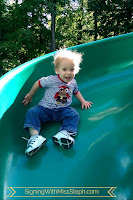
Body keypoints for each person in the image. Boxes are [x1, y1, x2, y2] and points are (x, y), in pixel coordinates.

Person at [22, 49, 93, 156]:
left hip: (62, 110)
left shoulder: (73, 82)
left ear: (76, 70)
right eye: (64, 69)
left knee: (73, 114)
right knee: (32, 112)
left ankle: (64, 133)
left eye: (71, 69)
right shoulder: (51, 80)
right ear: (57, 70)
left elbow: (76, 91)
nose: (68, 73)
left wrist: (83, 101)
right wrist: (30, 95)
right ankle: (35, 138)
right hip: (45, 109)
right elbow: (38, 83)